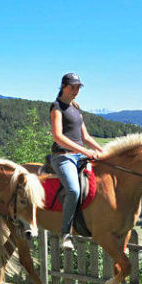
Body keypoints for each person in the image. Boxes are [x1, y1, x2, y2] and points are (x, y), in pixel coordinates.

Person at [49, 72, 103, 250]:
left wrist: (102, 151)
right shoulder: (57, 106)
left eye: (78, 87)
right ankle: (66, 233)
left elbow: (85, 136)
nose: (76, 91)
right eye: (73, 87)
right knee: (73, 189)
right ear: (64, 86)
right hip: (63, 156)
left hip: (80, 155)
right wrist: (83, 151)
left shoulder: (76, 108)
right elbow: (57, 136)